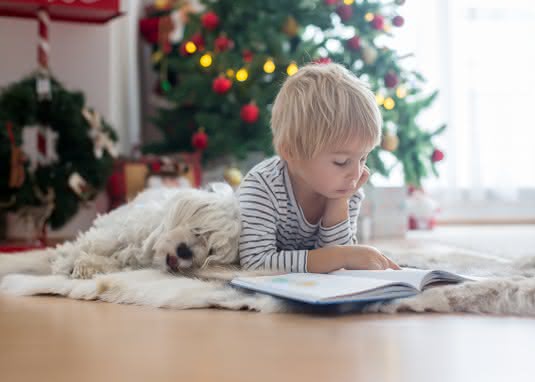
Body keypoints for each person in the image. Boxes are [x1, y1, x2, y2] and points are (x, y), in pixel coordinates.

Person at [237, 62, 401, 273]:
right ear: (291, 152)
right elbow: (254, 263)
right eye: (341, 162)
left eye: (363, 159)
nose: (356, 173)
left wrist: (338, 202)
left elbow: (336, 269)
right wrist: (343, 256)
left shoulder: (346, 191)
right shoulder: (262, 187)